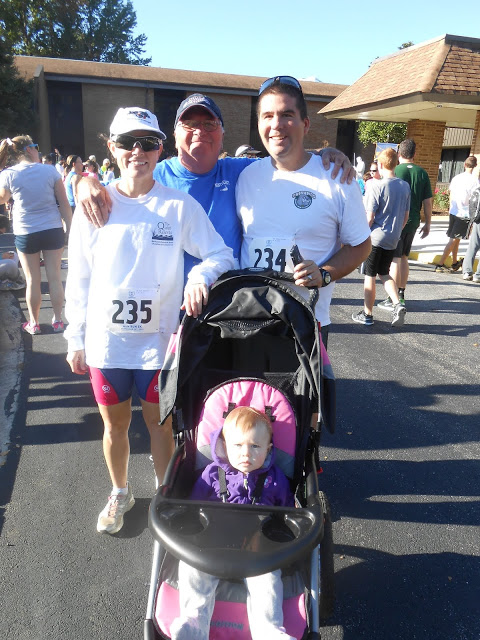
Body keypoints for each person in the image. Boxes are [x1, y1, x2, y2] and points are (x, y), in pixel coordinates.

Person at [64, 107, 234, 535]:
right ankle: (120, 491)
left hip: (157, 345)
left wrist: (199, 277)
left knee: (160, 426)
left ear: (160, 149)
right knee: (114, 426)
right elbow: (78, 276)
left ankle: (165, 494)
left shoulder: (177, 205)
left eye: (148, 143)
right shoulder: (94, 205)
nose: (137, 152)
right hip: (107, 344)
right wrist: (74, 337)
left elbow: (220, 254)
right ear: (111, 147)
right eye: (127, 142)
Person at [76, 93, 356, 267]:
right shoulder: (154, 176)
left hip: (228, 312)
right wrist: (84, 182)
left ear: (222, 134)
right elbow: (118, 187)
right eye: (190, 124)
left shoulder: (241, 172)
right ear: (174, 135)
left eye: (209, 124)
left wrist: (324, 154)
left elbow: (286, 158)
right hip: (167, 312)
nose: (200, 131)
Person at [235, 76, 371, 348]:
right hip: (248, 321)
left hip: (306, 324)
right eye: (268, 116)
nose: (276, 124)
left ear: (305, 124)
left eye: (287, 115)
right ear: (259, 124)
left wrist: (325, 273)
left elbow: (361, 245)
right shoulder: (244, 175)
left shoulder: (337, 177)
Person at [170, 406, 294, 640]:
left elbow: (287, 513)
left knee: (268, 582)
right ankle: (193, 623)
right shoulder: (211, 474)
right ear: (224, 446)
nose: (246, 454)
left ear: (268, 449)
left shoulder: (276, 479)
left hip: (259, 551)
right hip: (212, 546)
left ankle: (269, 630)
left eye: (255, 446)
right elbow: (193, 509)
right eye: (237, 446)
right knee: (191, 566)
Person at [0, 136, 72, 333]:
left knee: (32, 280)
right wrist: (70, 227)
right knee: (55, 277)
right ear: (30, 149)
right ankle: (58, 320)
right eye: (36, 147)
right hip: (52, 228)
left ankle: (34, 323)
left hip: (26, 231)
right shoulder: (50, 171)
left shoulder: (9, 174)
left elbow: (2, 198)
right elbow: (64, 203)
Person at [351, 148, 410, 327]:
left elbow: (370, 217)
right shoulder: (404, 186)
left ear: (381, 165)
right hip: (393, 237)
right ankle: (397, 303)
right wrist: (396, 231)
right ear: (396, 163)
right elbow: (406, 216)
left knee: (370, 275)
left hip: (376, 237)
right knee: (384, 272)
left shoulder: (376, 186)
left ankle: (367, 314)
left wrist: (360, 235)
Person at [377, 139, 432, 309]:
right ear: (414, 154)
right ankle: (401, 292)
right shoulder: (422, 173)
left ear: (399, 153)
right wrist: (428, 223)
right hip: (413, 219)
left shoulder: (395, 170)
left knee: (394, 259)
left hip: (396, 220)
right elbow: (428, 201)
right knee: (404, 257)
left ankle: (392, 297)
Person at [434, 156, 478, 273]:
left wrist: (450, 208)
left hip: (453, 211)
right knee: (454, 239)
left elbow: (451, 193)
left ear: (464, 164)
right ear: (475, 166)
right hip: (464, 213)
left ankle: (454, 262)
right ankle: (440, 264)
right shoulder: (475, 181)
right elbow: (474, 199)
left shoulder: (456, 178)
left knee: (456, 238)